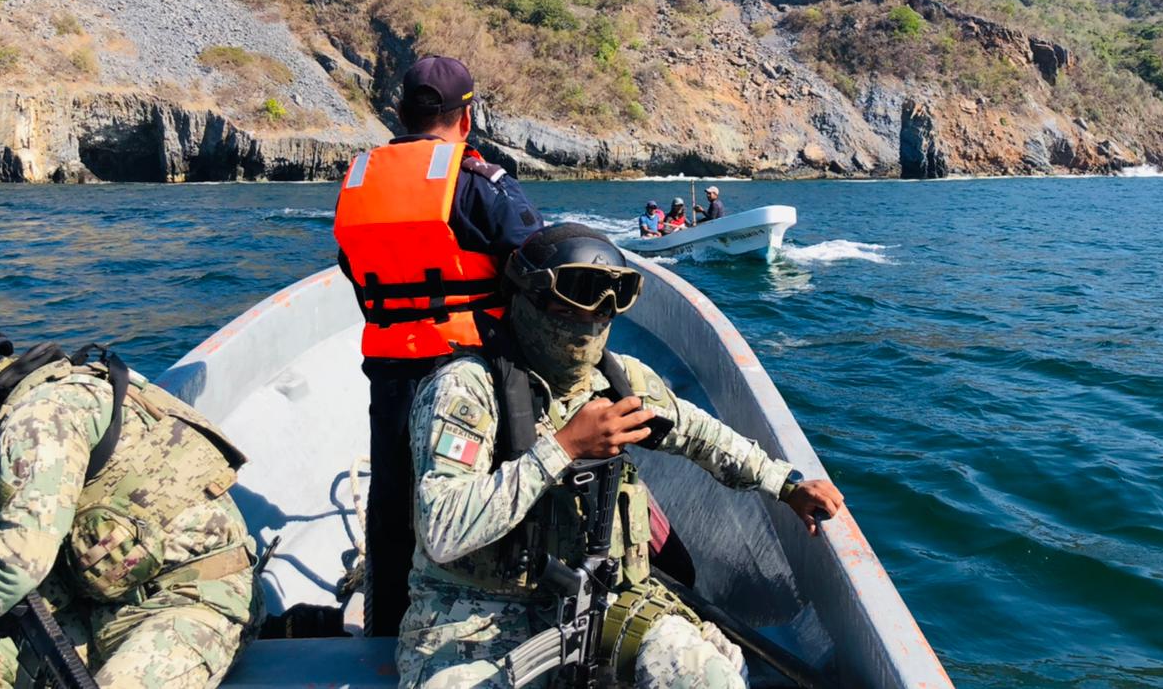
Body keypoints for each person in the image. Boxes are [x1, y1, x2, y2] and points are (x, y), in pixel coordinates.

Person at [397, 224, 844, 688]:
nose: (596, 315)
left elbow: (700, 435)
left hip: (598, 601)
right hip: (473, 618)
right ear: (530, 296)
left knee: (708, 676)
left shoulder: (618, 380)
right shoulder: (466, 390)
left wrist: (785, 485)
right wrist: (565, 447)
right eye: (581, 294)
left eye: (615, 295)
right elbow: (442, 530)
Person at [333, 55, 543, 637]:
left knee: (395, 497)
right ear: (465, 117)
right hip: (469, 371)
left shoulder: (357, 183)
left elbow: (354, 268)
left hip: (390, 371)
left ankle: (385, 627)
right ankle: (486, 618)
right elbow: (539, 266)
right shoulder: (481, 184)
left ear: (400, 113)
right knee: (485, 489)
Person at [0, 327, 261, 687]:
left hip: (190, 602)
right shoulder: (20, 407)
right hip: (100, 605)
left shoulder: (40, 419)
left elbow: (14, 566)